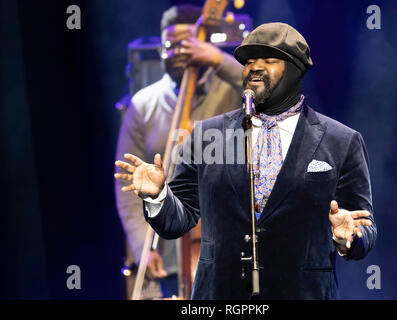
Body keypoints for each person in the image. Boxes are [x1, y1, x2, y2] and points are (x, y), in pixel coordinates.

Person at [115, 22, 377, 299]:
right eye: (249, 61)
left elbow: (364, 228)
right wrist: (158, 196)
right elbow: (177, 222)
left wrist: (348, 237)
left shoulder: (341, 140)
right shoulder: (206, 135)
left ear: (296, 68)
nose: (254, 67)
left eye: (268, 59)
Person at [114, 4, 243, 299]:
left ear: (201, 43)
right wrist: (140, 246)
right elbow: (126, 183)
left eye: (185, 44)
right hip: (166, 255)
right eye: (169, 46)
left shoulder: (231, 90)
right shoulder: (143, 104)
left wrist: (218, 60)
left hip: (225, 250)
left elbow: (270, 92)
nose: (176, 53)